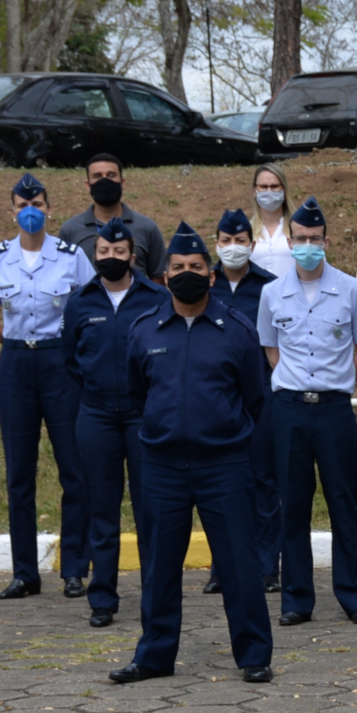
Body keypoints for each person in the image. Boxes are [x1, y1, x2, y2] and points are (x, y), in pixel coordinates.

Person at [113, 226, 273, 684]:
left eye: (197, 268)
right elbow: (139, 392)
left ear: (212, 274)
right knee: (159, 564)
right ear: (164, 277)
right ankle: (154, 655)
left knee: (239, 564)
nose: (188, 274)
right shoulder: (145, 330)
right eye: (179, 268)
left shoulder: (237, 330)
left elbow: (253, 397)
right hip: (162, 464)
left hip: (223, 464)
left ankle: (254, 654)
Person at [258, 196, 357, 626]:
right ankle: (295, 599)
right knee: (292, 504)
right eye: (300, 238)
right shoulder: (272, 293)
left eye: (314, 238)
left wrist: (336, 378)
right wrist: (295, 379)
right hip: (289, 409)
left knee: (342, 501)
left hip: (333, 410)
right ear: (290, 242)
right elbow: (271, 348)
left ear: (326, 241)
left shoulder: (350, 288)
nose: (307, 244)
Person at [0, 190, 93, 599]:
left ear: (49, 209)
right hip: (16, 366)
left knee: (73, 468)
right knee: (19, 472)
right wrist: (13, 340)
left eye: (38, 204)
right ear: (11, 211)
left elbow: (90, 309)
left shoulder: (70, 255)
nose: (31, 212)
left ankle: (75, 568)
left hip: (60, 363)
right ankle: (25, 572)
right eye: (23, 205)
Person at [62, 221, 169, 627]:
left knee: (151, 510)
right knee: (101, 508)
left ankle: (155, 596)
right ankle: (103, 598)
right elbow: (71, 361)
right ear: (95, 254)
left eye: (118, 252)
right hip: (97, 415)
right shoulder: (80, 301)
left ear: (133, 255)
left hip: (145, 415)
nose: (110, 258)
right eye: (103, 252)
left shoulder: (157, 297)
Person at [211, 210, 282, 592]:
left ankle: (268, 566)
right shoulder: (204, 284)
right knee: (217, 482)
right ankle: (221, 570)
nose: (233, 248)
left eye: (240, 241)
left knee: (263, 478)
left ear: (252, 245)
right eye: (226, 240)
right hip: (214, 395)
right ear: (216, 243)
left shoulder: (269, 287)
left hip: (261, 392)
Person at [61, 154, 166, 279]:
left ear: (122, 183)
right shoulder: (70, 230)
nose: (105, 181)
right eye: (97, 176)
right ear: (88, 185)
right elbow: (63, 277)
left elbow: (158, 278)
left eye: (111, 175)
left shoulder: (147, 227)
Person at [249, 165, 296, 277]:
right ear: (255, 191)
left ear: (284, 189)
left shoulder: (299, 228)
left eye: (274, 186)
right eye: (263, 187)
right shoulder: (246, 231)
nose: (269, 191)